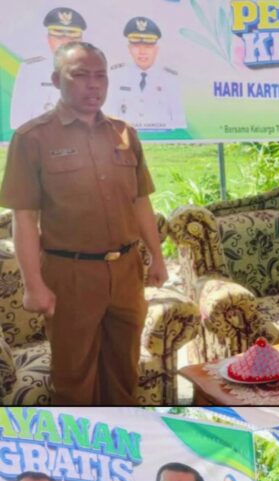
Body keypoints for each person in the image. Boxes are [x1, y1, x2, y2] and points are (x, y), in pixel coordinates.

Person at [0, 41, 168, 406]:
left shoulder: (125, 134)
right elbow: (24, 219)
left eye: (101, 76)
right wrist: (34, 286)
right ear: (56, 80)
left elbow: (140, 201)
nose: (94, 85)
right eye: (80, 76)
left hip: (126, 272)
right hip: (69, 276)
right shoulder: (33, 138)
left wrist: (156, 257)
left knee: (124, 372)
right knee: (74, 379)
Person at [9, 7, 87, 130]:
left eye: (72, 38)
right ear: (49, 39)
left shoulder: (93, 73)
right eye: (59, 37)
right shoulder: (30, 70)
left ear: (81, 41)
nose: (65, 42)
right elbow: (18, 121)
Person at [107, 17, 186, 131]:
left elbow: (179, 122)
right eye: (136, 46)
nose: (142, 52)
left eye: (148, 46)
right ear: (129, 48)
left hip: (162, 142)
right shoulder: (116, 77)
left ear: (156, 49)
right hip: (125, 141)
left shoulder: (170, 79)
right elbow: (109, 119)